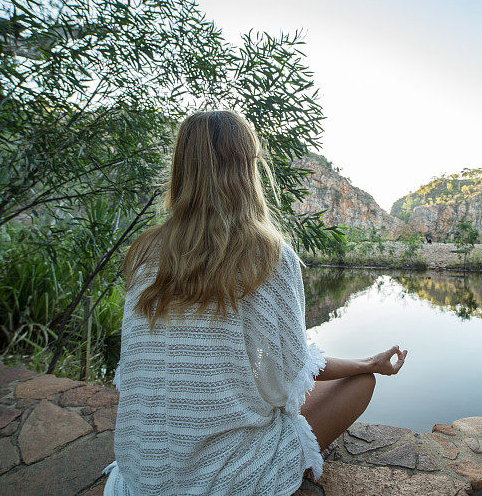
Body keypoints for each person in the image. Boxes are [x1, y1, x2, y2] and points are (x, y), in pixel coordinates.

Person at [101, 110, 407, 495]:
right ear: (247, 168)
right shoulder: (269, 256)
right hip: (222, 480)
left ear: (182, 169)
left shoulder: (145, 253)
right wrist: (367, 364)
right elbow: (288, 379)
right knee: (359, 384)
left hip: (144, 473)